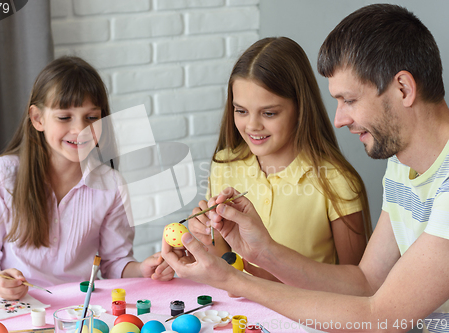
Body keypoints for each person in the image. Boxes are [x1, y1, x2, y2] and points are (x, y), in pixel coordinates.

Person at [162, 4, 449, 332]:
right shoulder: (401, 165)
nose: (339, 119)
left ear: (403, 89)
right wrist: (264, 251)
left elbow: (378, 317)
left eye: (350, 100)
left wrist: (233, 281)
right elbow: (365, 281)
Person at [0, 56, 173, 301]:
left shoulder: (112, 185)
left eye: (91, 118)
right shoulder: (3, 175)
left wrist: (142, 269)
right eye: (65, 117)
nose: (80, 129)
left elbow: (114, 262)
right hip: (16, 307)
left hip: (79, 309)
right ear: (37, 119)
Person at [188, 37, 371, 269]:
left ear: (300, 108)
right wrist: (205, 239)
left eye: (269, 113)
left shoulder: (336, 181)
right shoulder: (224, 164)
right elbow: (225, 263)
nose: (252, 125)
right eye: (241, 110)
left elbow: (355, 286)